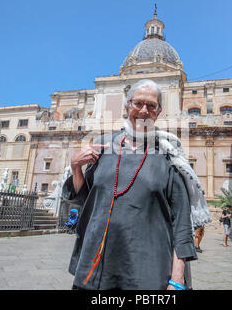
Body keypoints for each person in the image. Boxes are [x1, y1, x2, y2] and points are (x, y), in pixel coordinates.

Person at [62, 79, 210, 290]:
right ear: (127, 106)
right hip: (95, 269)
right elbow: (85, 200)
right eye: (138, 103)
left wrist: (177, 279)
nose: (143, 111)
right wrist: (76, 168)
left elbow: (182, 221)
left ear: (158, 112)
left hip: (147, 271)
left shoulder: (169, 156)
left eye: (151, 106)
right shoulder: (104, 146)